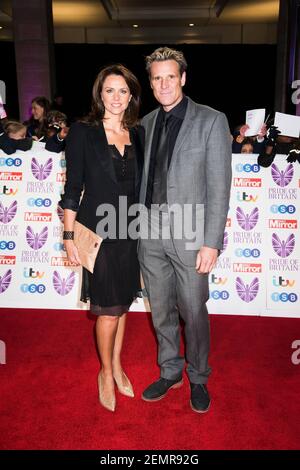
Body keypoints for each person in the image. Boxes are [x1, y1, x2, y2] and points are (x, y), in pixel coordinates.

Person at [138, 47, 232, 413]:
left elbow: (219, 186)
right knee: (159, 308)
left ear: (183, 78)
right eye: (157, 78)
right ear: (150, 82)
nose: (164, 84)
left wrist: (212, 242)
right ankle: (170, 370)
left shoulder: (211, 120)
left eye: (170, 76)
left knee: (193, 309)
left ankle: (198, 377)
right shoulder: (144, 123)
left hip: (192, 233)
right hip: (149, 230)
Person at [59, 64, 143, 412]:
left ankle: (118, 364)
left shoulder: (138, 133)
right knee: (107, 311)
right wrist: (67, 236)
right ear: (99, 93)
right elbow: (73, 187)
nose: (116, 97)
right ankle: (105, 373)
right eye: (110, 90)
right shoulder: (82, 132)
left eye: (123, 91)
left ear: (131, 96)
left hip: (132, 231)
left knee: (122, 308)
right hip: (99, 232)